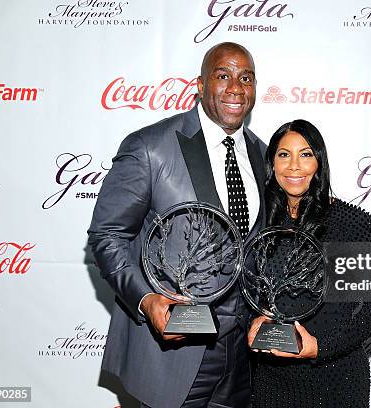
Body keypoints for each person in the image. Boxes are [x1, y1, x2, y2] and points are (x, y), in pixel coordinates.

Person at [88, 42, 266, 408]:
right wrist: (146, 299)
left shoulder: (262, 154)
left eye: (245, 78)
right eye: (223, 75)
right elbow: (108, 235)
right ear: (200, 85)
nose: (236, 87)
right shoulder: (149, 147)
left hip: (243, 358)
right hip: (172, 354)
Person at [247, 119, 371, 408]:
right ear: (272, 164)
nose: (294, 166)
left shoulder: (348, 223)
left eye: (305, 154)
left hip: (334, 381)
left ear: (319, 163)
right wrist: (255, 321)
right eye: (283, 154)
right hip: (272, 383)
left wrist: (320, 347)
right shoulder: (261, 223)